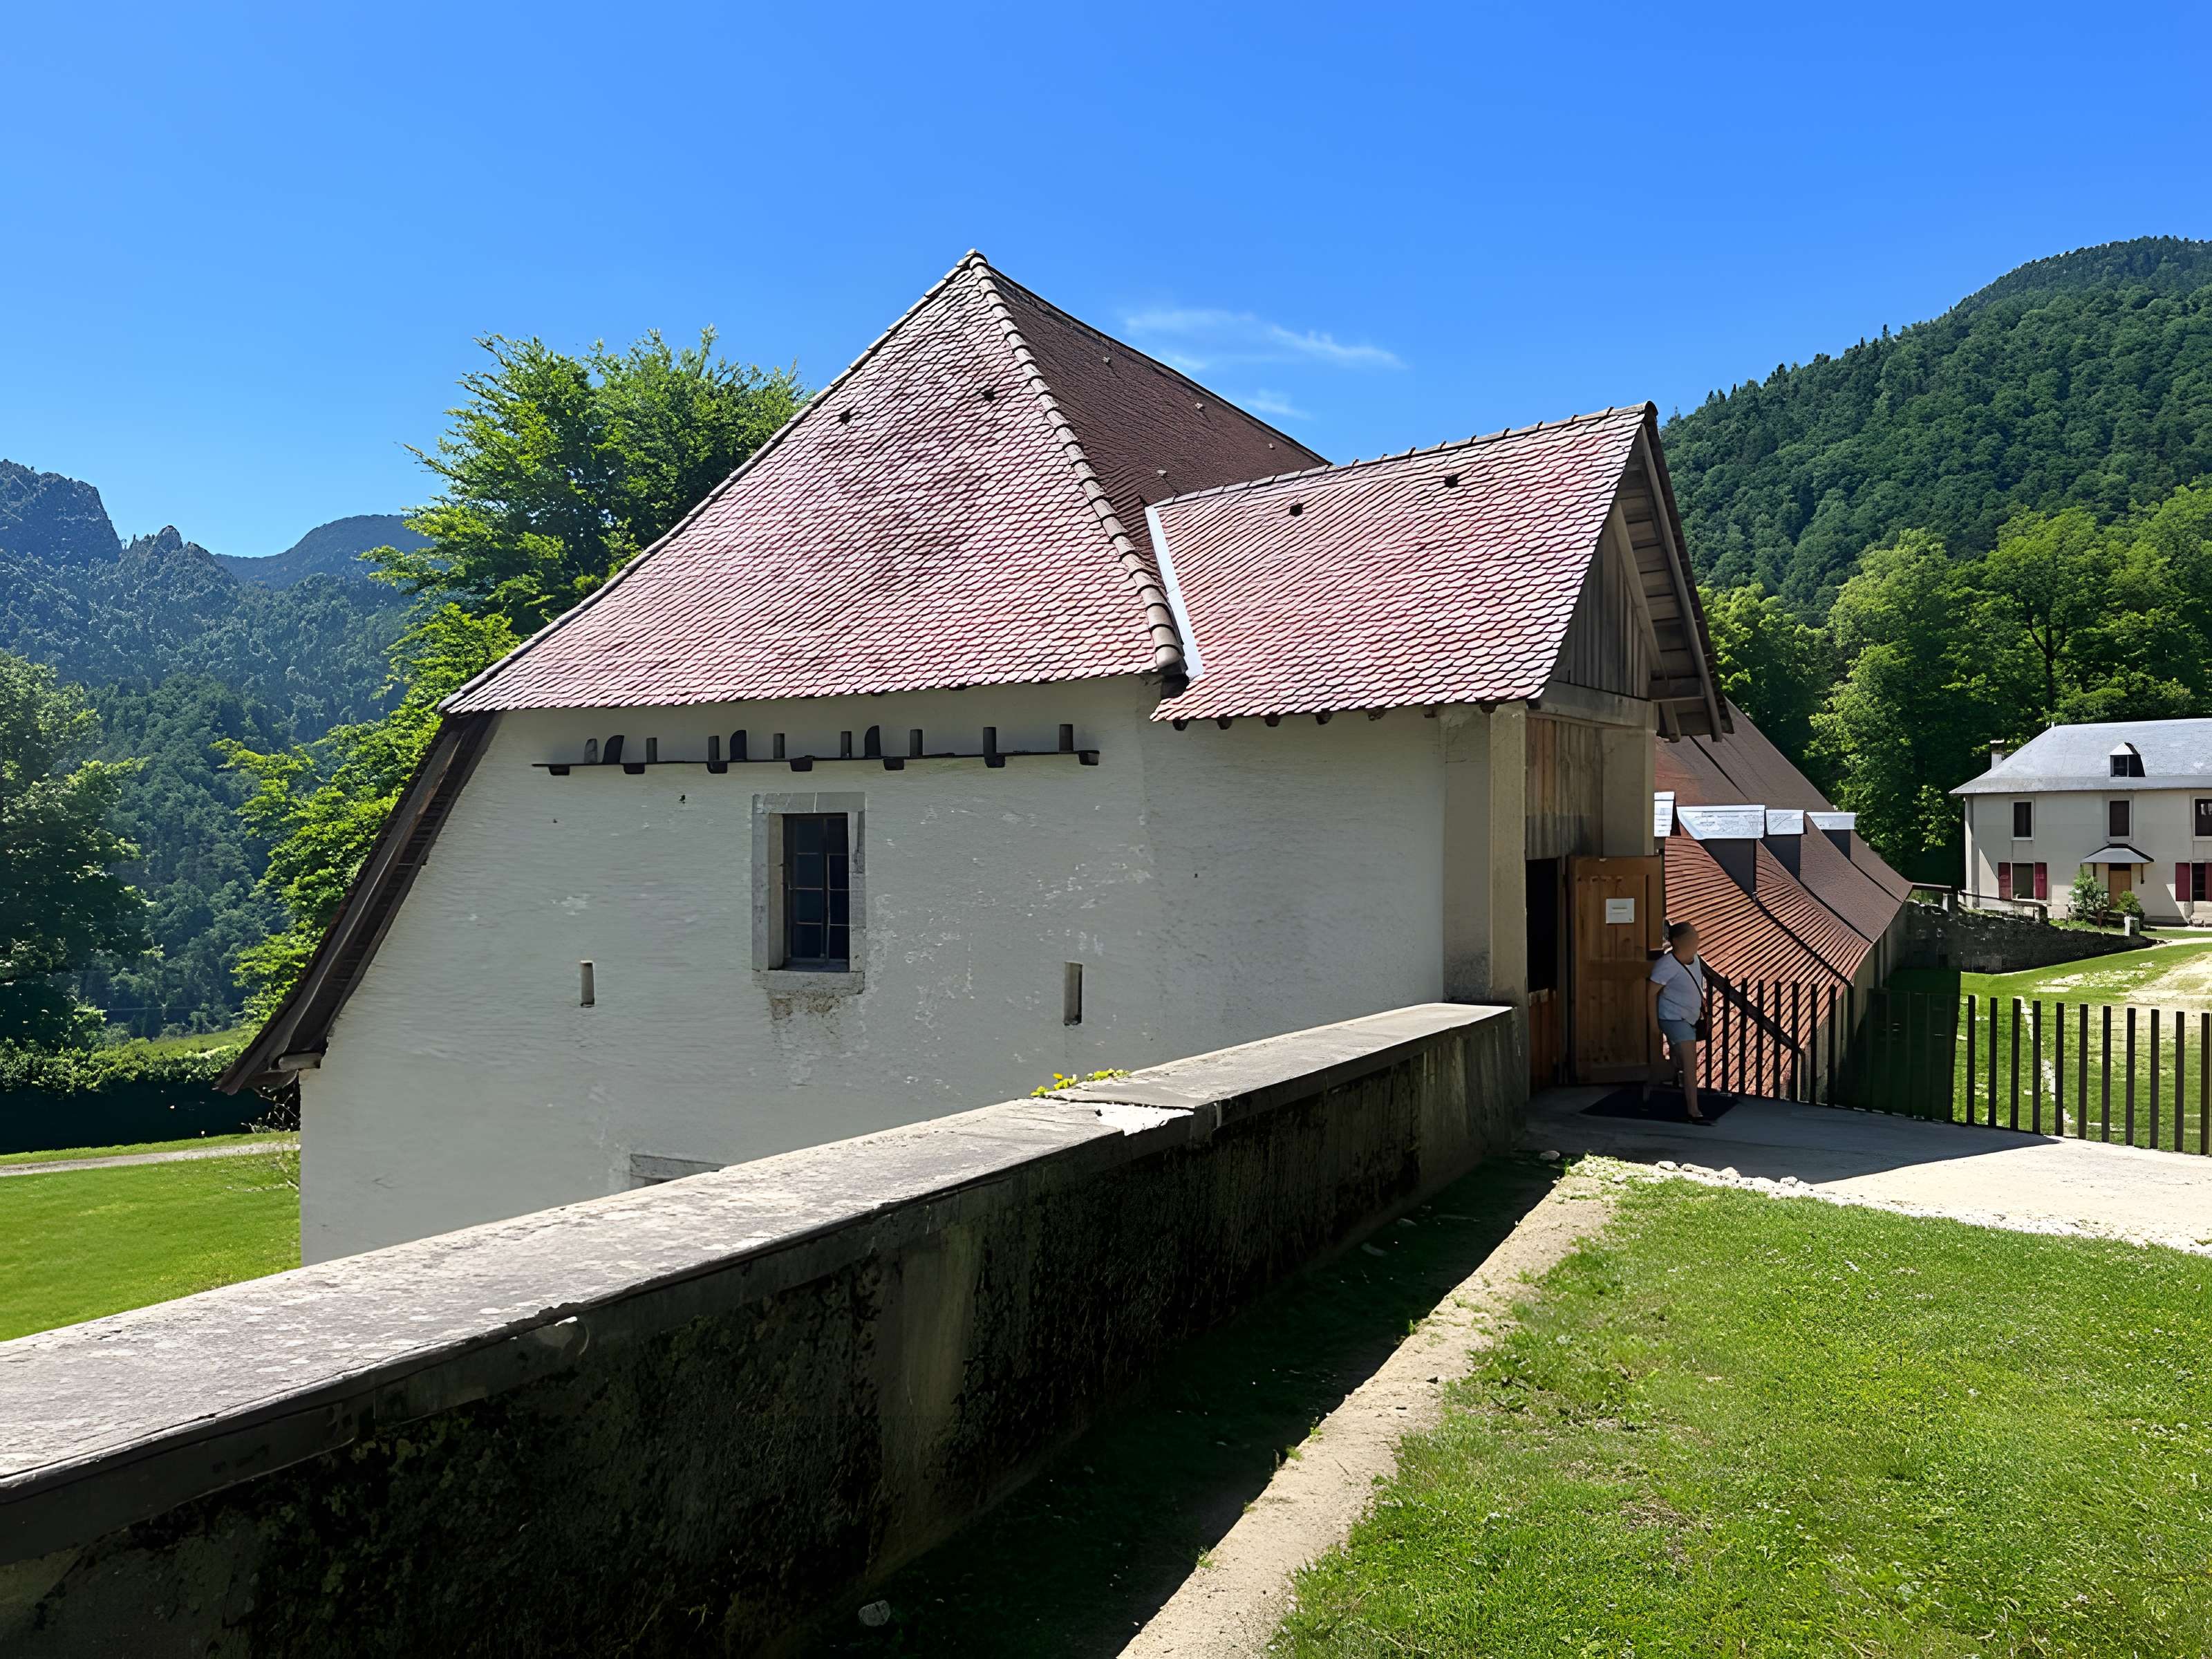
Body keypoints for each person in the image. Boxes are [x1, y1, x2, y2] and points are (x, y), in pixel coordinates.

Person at [1647, 921, 1712, 1124]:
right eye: (1692, 936)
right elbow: (1650, 994)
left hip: (1690, 1018)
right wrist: (1653, 1024)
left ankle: (1648, 1090)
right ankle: (1694, 1111)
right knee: (1690, 1065)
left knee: (1677, 1063)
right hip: (1673, 1019)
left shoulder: (1696, 959)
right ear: (1677, 942)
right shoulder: (1667, 965)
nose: (1697, 939)